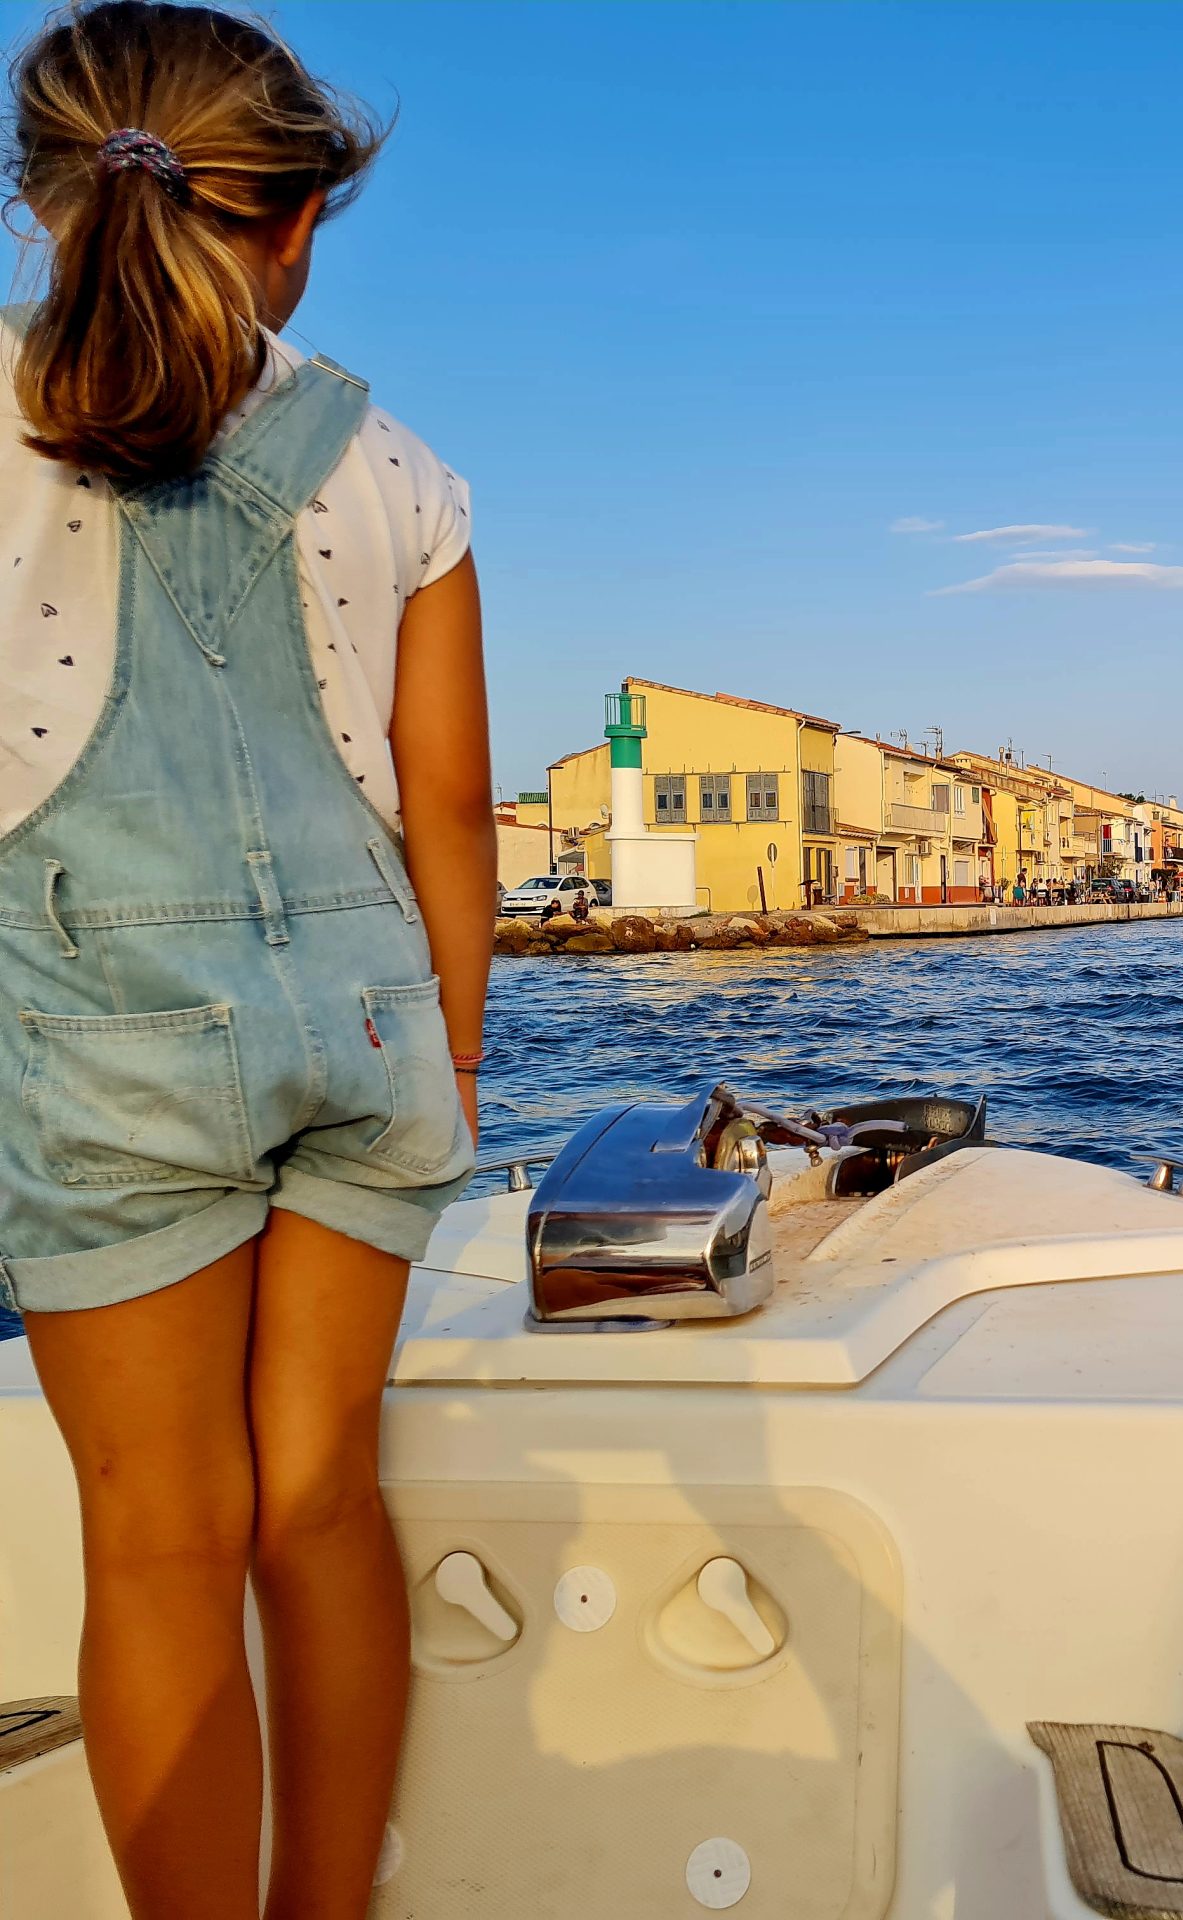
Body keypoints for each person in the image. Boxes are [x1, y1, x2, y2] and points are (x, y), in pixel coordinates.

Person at [0, 6, 486, 1915]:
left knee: (159, 1536)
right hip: (372, 1020)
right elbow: (450, 814)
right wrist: (441, 1063)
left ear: (49, 207)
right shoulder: (400, 467)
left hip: (106, 1029)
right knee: (320, 1505)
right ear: (296, 226)